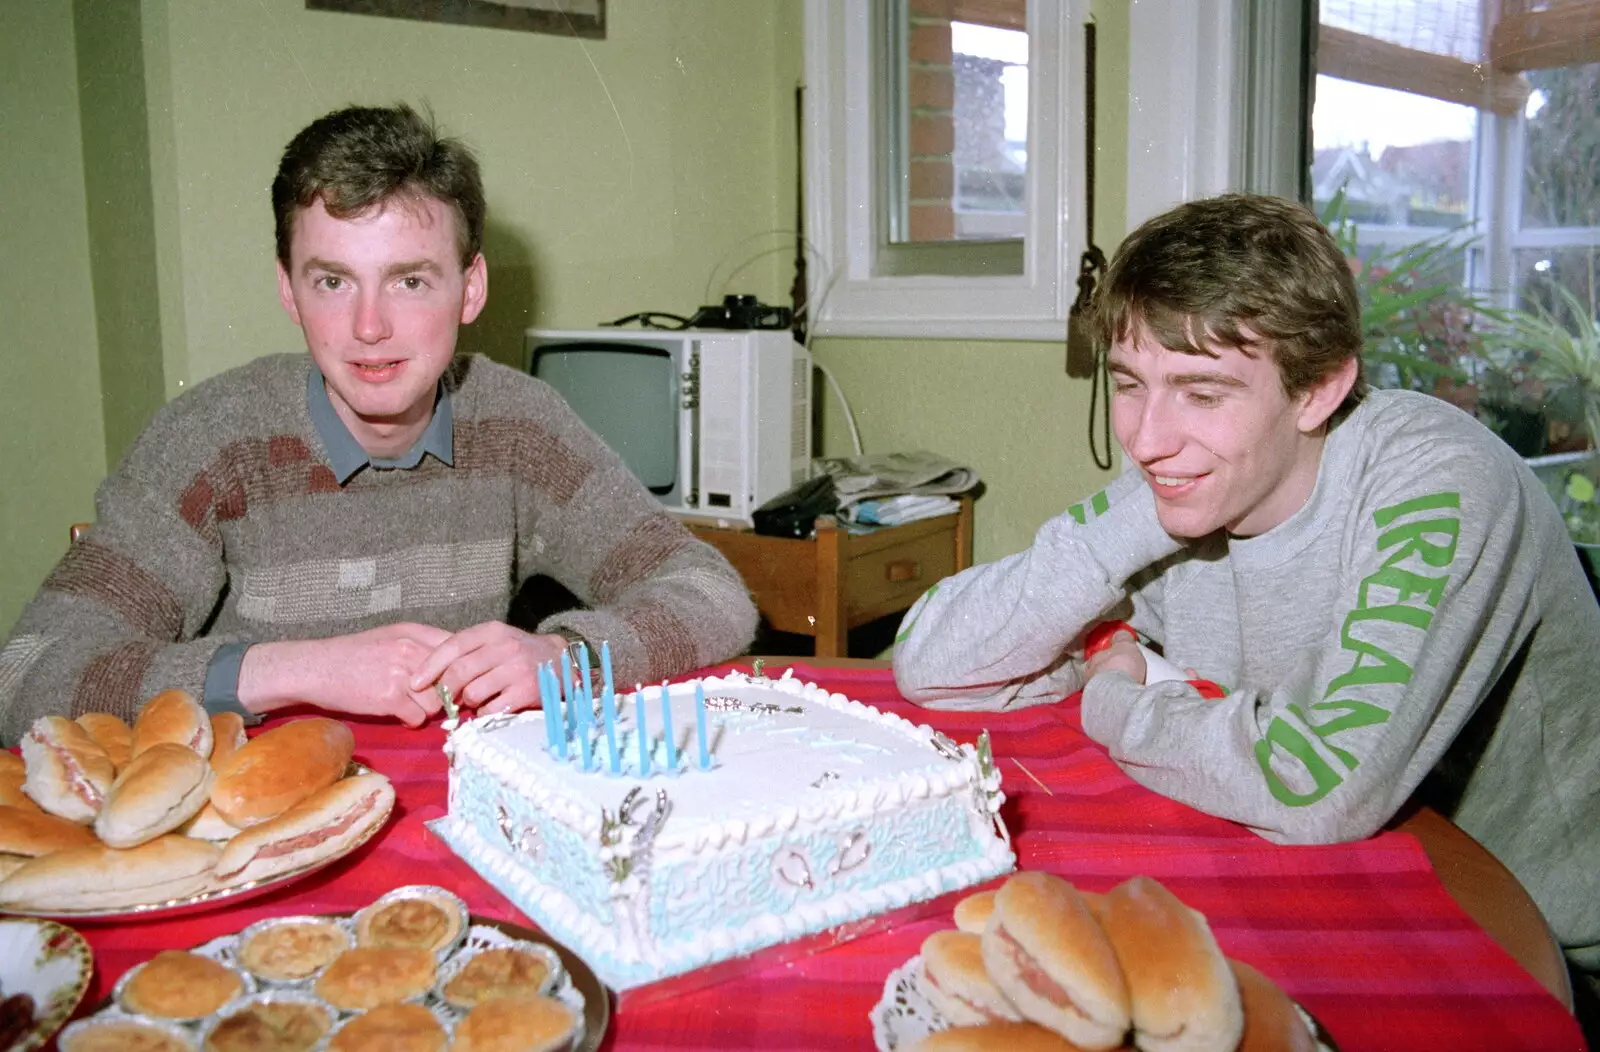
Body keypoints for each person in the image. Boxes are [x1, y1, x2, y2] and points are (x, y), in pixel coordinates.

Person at [893, 193, 1600, 978]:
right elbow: (934, 661)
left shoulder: (1438, 480)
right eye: (1129, 385)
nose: (1148, 441)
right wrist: (1132, 530)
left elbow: (1318, 788)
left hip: (1544, 938)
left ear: (1320, 389)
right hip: (1339, 888)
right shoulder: (1191, 479)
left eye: (1202, 393)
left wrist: (1117, 702)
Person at [0, 103, 756, 742]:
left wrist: (570, 658)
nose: (369, 327)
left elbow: (713, 592)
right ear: (289, 292)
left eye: (410, 280)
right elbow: (27, 671)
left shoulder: (520, 425)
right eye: (333, 281)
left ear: (470, 288)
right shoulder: (212, 442)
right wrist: (301, 669)